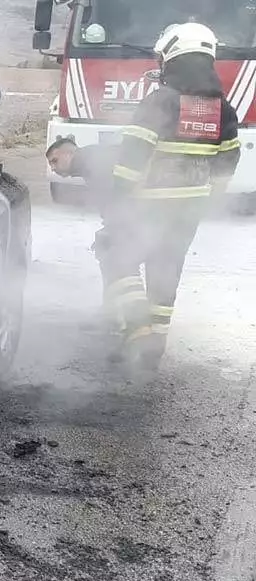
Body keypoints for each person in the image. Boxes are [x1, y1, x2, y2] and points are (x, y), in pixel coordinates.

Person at [103, 22, 240, 373]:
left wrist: (117, 200)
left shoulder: (160, 101)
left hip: (149, 202)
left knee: (115, 254)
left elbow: (134, 155)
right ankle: (156, 342)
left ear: (172, 58)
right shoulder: (222, 108)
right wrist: (210, 198)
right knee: (166, 269)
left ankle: (138, 329)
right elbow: (228, 159)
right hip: (190, 206)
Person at [46, 136, 122, 332]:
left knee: (116, 260)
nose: (53, 168)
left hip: (138, 216)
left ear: (69, 153)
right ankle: (115, 313)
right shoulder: (90, 160)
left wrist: (111, 230)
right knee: (114, 258)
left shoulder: (91, 163)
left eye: (55, 161)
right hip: (140, 216)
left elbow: (115, 197)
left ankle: (118, 316)